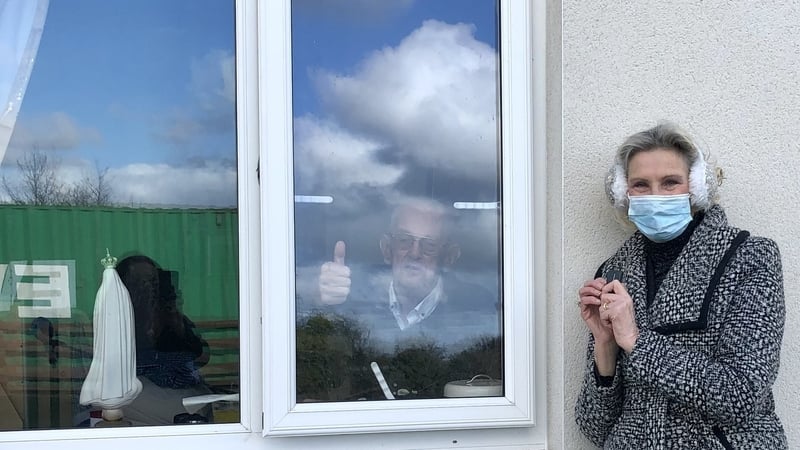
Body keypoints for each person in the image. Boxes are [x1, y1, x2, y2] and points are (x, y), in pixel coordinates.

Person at [575, 123, 786, 448]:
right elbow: (595, 426)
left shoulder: (749, 258)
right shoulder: (614, 272)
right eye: (641, 185)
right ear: (624, 193)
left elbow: (741, 395)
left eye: (670, 182)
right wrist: (605, 345)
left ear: (696, 188)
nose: (656, 194)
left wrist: (636, 341)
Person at [302, 197, 501, 400]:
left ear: (448, 256)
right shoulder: (350, 298)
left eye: (429, 245)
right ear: (387, 249)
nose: (415, 253)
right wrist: (316, 297)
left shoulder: (476, 309)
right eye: (404, 240)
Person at [115, 255, 213, 425]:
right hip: (138, 389)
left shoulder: (165, 313)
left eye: (153, 282)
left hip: (180, 388)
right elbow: (124, 366)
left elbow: (201, 355)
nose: (148, 288)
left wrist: (174, 318)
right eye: (140, 283)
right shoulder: (118, 318)